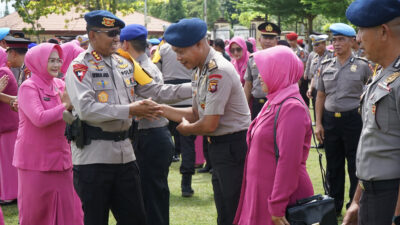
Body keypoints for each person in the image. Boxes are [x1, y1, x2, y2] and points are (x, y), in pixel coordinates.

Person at [65, 10, 191, 225]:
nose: (117, 39)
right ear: (93, 35)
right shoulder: (80, 66)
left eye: (118, 33)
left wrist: (196, 87)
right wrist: (130, 110)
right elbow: (86, 109)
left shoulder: (125, 63)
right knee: (96, 219)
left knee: (136, 219)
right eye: (111, 33)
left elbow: (157, 91)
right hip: (94, 158)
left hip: (126, 155)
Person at [160, 18, 251, 225]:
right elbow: (196, 112)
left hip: (232, 147)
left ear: (200, 44)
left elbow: (208, 124)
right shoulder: (201, 68)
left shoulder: (217, 70)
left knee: (233, 211)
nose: (178, 58)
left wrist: (186, 129)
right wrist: (162, 110)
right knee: (224, 210)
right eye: (175, 52)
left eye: (181, 51)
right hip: (220, 148)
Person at [234, 45, 314, 225]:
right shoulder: (274, 101)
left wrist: (277, 204)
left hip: (279, 197)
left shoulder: (291, 107)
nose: (260, 75)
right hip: (262, 192)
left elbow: (289, 161)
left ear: (280, 71)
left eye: (266, 69)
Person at [13, 43, 83, 225]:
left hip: (62, 159)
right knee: (36, 213)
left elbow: (68, 116)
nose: (56, 65)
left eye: (58, 60)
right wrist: (66, 106)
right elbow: (39, 118)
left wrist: (74, 111)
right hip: (35, 161)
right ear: (37, 61)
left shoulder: (60, 84)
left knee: (70, 212)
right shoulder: (28, 87)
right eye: (50, 60)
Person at [342, 1, 400, 224]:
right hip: (371, 192)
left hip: (391, 198)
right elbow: (372, 143)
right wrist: (357, 199)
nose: (357, 38)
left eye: (361, 30)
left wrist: (397, 215)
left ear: (383, 31)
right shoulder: (382, 74)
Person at [315, 23, 372, 216]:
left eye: (341, 40)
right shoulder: (325, 66)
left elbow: (372, 93)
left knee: (355, 164)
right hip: (331, 121)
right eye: (334, 40)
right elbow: (320, 96)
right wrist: (319, 123)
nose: (336, 44)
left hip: (354, 121)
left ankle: (354, 205)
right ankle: (334, 205)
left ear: (351, 42)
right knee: (333, 164)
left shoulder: (363, 66)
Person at [119, 24, 174, 225]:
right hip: (152, 136)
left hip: (150, 137)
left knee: (152, 199)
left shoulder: (139, 69)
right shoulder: (146, 65)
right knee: (150, 197)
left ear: (125, 44)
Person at [154, 38, 197, 197]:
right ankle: (186, 185)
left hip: (168, 97)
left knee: (164, 142)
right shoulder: (192, 46)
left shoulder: (163, 48)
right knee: (187, 144)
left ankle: (162, 180)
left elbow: (155, 70)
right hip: (189, 97)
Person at [244, 22, 280, 119]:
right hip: (258, 104)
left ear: (276, 41)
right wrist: (245, 106)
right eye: (265, 38)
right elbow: (248, 84)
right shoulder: (252, 59)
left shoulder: (282, 60)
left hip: (277, 103)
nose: (268, 41)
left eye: (271, 38)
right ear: (259, 40)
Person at [0, 48, 18, 205]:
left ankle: (11, 194)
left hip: (8, 124)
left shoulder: (2, 72)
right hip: (7, 124)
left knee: (8, 162)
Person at [305, 34, 334, 120]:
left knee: (326, 116)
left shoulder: (332, 56)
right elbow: (314, 75)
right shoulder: (314, 57)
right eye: (314, 45)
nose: (315, 47)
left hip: (327, 91)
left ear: (324, 44)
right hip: (316, 90)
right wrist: (310, 88)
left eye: (317, 45)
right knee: (317, 114)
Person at [286, 32, 309, 107]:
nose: (290, 42)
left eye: (292, 40)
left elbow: (303, 67)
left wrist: (299, 80)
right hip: (290, 79)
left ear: (296, 40)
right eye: (289, 40)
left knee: (302, 98)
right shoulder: (288, 50)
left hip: (300, 79)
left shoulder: (301, 51)